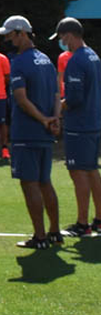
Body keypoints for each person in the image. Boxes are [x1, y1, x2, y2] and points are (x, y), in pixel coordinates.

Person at [0, 16, 61, 249]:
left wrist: (44, 119)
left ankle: (40, 237)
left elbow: (21, 100)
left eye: (9, 35)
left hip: (26, 132)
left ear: (21, 33)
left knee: (30, 184)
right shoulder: (46, 60)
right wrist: (54, 119)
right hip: (44, 132)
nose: (6, 40)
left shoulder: (20, 63)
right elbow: (55, 95)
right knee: (45, 182)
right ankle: (54, 232)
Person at [51, 18, 101, 237]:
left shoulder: (76, 60)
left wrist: (56, 110)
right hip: (93, 121)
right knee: (91, 170)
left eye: (62, 37)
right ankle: (98, 219)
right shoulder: (93, 56)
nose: (62, 42)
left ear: (69, 35)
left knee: (78, 171)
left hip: (79, 124)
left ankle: (83, 224)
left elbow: (75, 98)